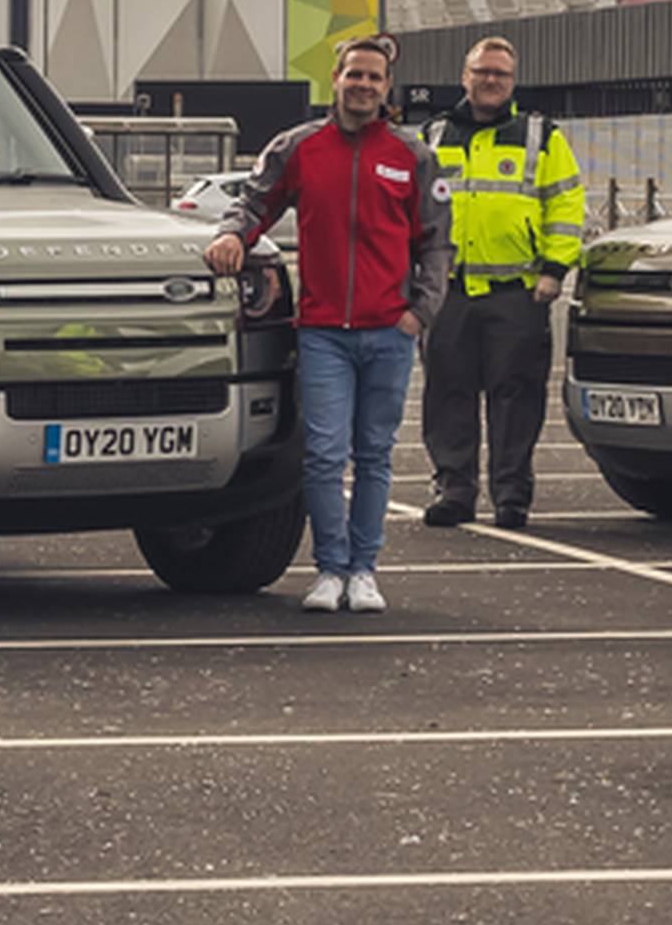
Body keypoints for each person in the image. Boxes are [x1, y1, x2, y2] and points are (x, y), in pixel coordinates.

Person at [207, 37, 450, 614]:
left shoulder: (412, 156)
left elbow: (437, 242)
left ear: (387, 87)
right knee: (322, 454)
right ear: (335, 79)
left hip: (390, 332)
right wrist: (229, 235)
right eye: (354, 75)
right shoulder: (299, 148)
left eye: (374, 78)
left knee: (374, 454)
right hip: (322, 334)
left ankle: (364, 569)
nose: (363, 85)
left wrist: (420, 313)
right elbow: (254, 201)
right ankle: (329, 569)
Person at [419, 35, 586, 530]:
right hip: (449, 292)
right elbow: (415, 211)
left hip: (518, 293)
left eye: (500, 74)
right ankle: (454, 490)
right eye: (482, 72)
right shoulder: (433, 134)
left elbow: (566, 202)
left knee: (516, 399)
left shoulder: (541, 135)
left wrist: (556, 270)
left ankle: (511, 496)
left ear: (512, 81)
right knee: (447, 394)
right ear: (464, 76)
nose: (490, 81)